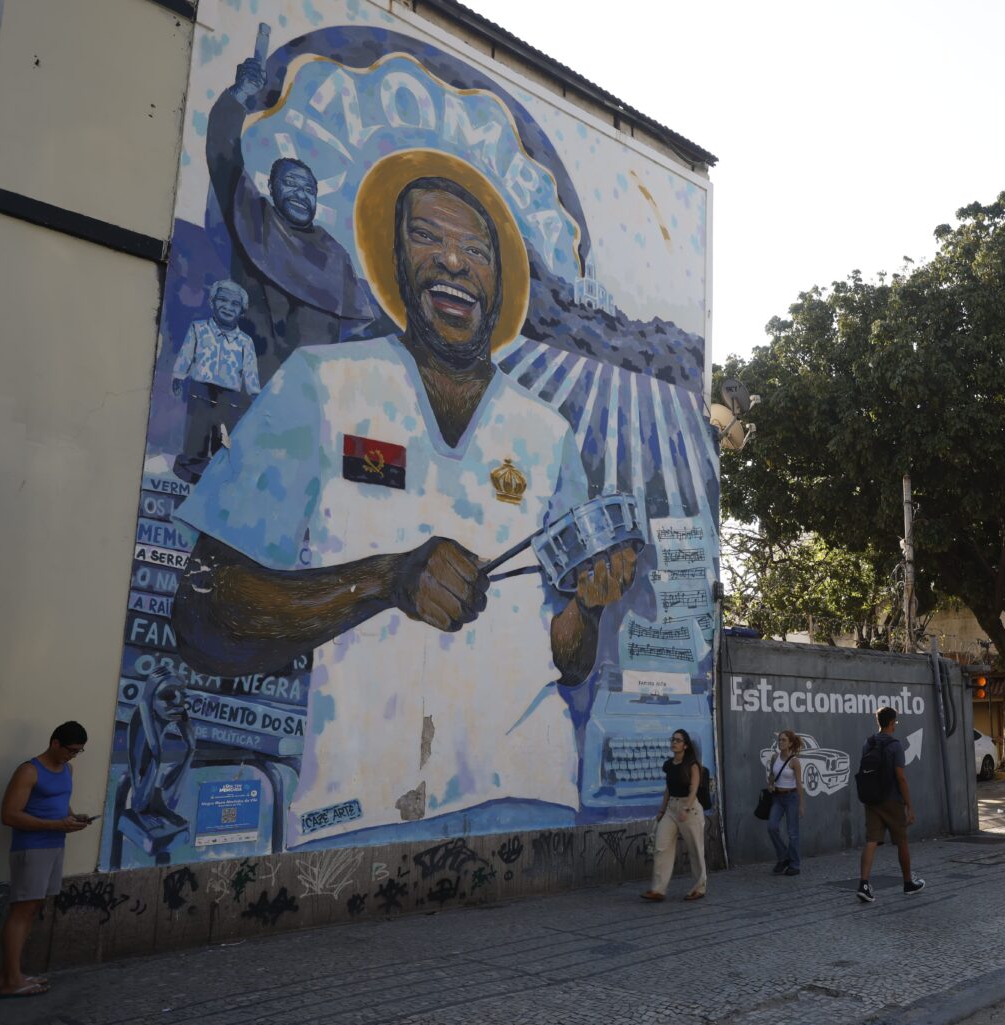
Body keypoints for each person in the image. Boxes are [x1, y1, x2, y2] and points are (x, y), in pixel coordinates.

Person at [173, 155, 638, 844]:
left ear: (499, 281)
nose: (454, 261)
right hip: (358, 808)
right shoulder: (323, 385)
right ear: (395, 260)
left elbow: (566, 658)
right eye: (428, 237)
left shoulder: (547, 434)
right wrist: (384, 579)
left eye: (477, 250)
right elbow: (203, 613)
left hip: (530, 794)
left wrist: (586, 609)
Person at [206, 45, 374, 387]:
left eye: (308, 189)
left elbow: (358, 333)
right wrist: (240, 95)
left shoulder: (334, 254)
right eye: (291, 185)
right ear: (271, 189)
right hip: (251, 381)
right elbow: (223, 154)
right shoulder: (255, 218)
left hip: (311, 392)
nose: (301, 194)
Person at [0, 722, 91, 998]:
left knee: (31, 909)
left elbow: (60, 805)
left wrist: (74, 819)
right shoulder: (29, 770)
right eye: (70, 750)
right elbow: (9, 815)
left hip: (55, 845)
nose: (72, 756)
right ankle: (12, 979)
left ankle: (9, 976)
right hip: (31, 847)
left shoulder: (67, 769)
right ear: (55, 743)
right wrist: (54, 825)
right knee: (21, 911)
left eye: (78, 752)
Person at [171, 280, 261, 482]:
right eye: (222, 300)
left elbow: (250, 371)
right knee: (198, 426)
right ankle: (193, 462)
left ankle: (220, 468)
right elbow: (187, 354)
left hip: (229, 395)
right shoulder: (198, 329)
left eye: (235, 304)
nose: (228, 307)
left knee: (223, 431)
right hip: (200, 388)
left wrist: (254, 392)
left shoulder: (245, 342)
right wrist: (178, 375)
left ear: (242, 311)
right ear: (212, 302)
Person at [857, 707, 924, 902]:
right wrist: (909, 806)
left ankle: (863, 884)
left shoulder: (867, 743)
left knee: (871, 840)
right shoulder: (895, 746)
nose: (895, 725)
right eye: (895, 722)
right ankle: (908, 883)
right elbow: (901, 778)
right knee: (901, 841)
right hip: (892, 800)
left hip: (871, 799)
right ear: (891, 723)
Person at [642, 729, 706, 902]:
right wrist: (662, 811)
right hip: (671, 808)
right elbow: (668, 789)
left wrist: (685, 809)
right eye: (672, 739)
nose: (674, 743)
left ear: (685, 745)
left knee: (695, 850)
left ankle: (699, 887)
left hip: (689, 808)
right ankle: (658, 890)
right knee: (661, 847)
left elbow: (694, 788)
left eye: (678, 740)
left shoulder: (692, 764)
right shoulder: (669, 765)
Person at [764, 730, 805, 876]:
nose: (780, 743)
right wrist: (770, 784)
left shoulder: (795, 761)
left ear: (790, 743)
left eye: (784, 740)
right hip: (778, 798)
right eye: (779, 740)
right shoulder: (775, 757)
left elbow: (799, 784)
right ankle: (783, 856)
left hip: (791, 797)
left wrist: (801, 804)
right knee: (772, 827)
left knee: (792, 833)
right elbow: (771, 776)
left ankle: (794, 864)